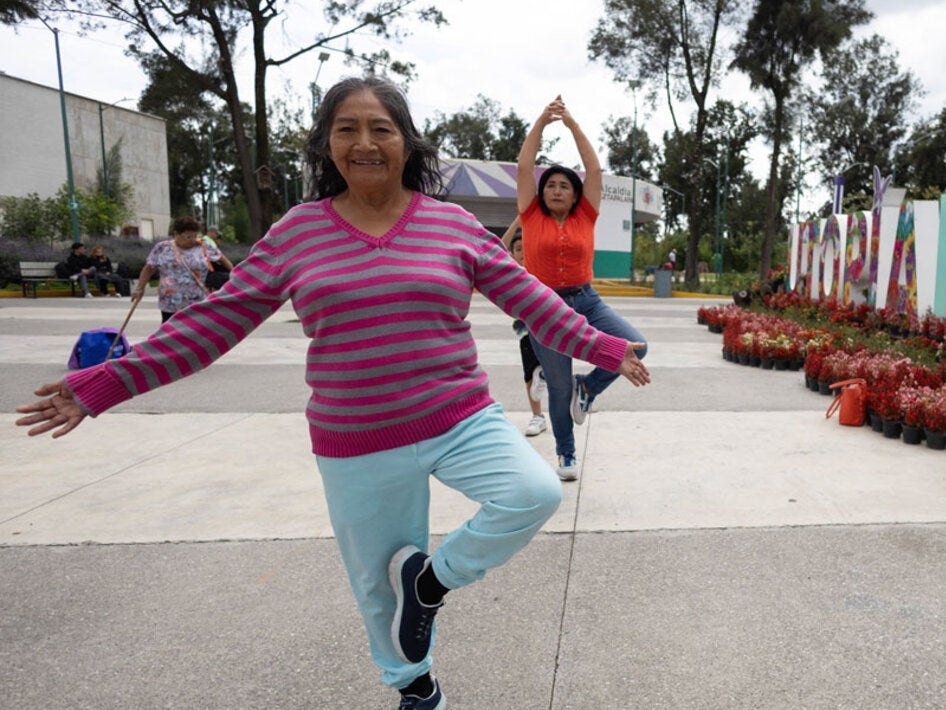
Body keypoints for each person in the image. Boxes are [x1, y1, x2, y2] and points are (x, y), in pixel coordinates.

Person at [15, 75, 649, 710]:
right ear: (325, 146)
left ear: (407, 143)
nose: (365, 143)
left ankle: (431, 583)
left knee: (531, 493)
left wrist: (607, 349)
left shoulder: (451, 225)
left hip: (461, 418)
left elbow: (534, 300)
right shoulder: (299, 232)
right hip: (356, 437)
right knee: (376, 586)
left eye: (382, 128)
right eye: (347, 129)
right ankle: (416, 686)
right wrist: (102, 385)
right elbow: (215, 321)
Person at [517, 96, 649, 481]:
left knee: (637, 344)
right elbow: (526, 167)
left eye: (564, 186)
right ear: (542, 193)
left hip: (586, 299)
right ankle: (566, 454)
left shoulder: (586, 216)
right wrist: (542, 120)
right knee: (558, 387)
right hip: (544, 307)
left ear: (576, 195)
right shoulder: (530, 214)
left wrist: (572, 124)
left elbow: (593, 168)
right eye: (551, 185)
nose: (557, 190)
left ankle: (587, 389)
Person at [132, 216, 234, 323]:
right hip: (170, 303)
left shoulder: (204, 245)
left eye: (195, 235)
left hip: (198, 302)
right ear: (176, 234)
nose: (192, 240)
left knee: (197, 335)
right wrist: (140, 288)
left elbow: (223, 260)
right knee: (170, 335)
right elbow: (149, 268)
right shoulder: (162, 248)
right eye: (188, 236)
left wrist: (236, 278)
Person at [503, 217, 549, 439]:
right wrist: (517, 222)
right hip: (526, 328)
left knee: (551, 368)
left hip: (550, 325)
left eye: (526, 248)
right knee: (530, 373)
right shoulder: (511, 270)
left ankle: (547, 377)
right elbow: (498, 248)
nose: (523, 253)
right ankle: (538, 416)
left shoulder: (541, 267)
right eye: (518, 249)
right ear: (513, 254)